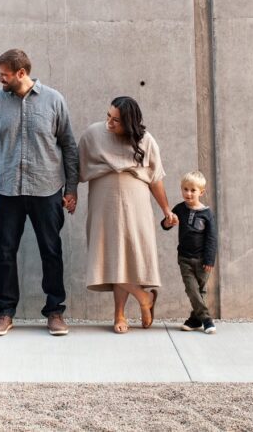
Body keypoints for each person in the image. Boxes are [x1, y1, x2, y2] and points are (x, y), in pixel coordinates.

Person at [0, 48, 79, 337]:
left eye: (4, 75)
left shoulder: (54, 100)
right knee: (5, 251)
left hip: (47, 189)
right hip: (7, 189)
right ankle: (5, 312)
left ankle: (55, 311)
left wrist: (71, 188)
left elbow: (69, 146)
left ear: (21, 73)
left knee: (51, 250)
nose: (0, 79)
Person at [77, 96, 177, 333]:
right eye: (108, 116)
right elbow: (75, 167)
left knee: (128, 258)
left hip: (136, 202)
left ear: (130, 123)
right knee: (107, 255)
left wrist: (166, 209)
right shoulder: (93, 134)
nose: (109, 123)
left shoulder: (146, 140)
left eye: (116, 121)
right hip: (103, 201)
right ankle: (144, 298)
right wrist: (71, 193)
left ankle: (120, 315)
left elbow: (155, 179)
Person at [161, 170, 218, 334]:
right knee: (191, 289)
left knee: (200, 290)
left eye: (193, 190)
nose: (188, 193)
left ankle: (194, 319)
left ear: (201, 192)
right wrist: (168, 221)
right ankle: (207, 319)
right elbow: (166, 225)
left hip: (202, 260)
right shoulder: (180, 208)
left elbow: (212, 238)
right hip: (184, 258)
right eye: (185, 189)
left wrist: (209, 259)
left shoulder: (207, 214)